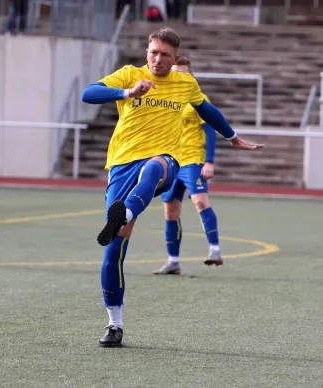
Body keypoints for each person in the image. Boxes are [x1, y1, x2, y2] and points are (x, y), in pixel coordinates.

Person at [81, 27, 264, 347]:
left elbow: (208, 110)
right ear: (146, 52)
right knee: (113, 254)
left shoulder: (185, 83)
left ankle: (123, 212)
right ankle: (114, 324)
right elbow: (89, 93)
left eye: (165, 54)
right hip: (122, 166)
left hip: (164, 160)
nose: (158, 58)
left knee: (156, 166)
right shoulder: (128, 75)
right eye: (153, 52)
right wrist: (127, 93)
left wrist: (232, 137)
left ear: (175, 58)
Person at [153, 57, 223, 276]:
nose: (179, 76)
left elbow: (210, 131)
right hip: (172, 162)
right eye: (175, 72)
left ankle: (215, 250)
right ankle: (173, 262)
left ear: (192, 76)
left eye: (183, 73)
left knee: (200, 202)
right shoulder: (166, 99)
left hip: (193, 160)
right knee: (170, 211)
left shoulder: (199, 99)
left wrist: (209, 161)